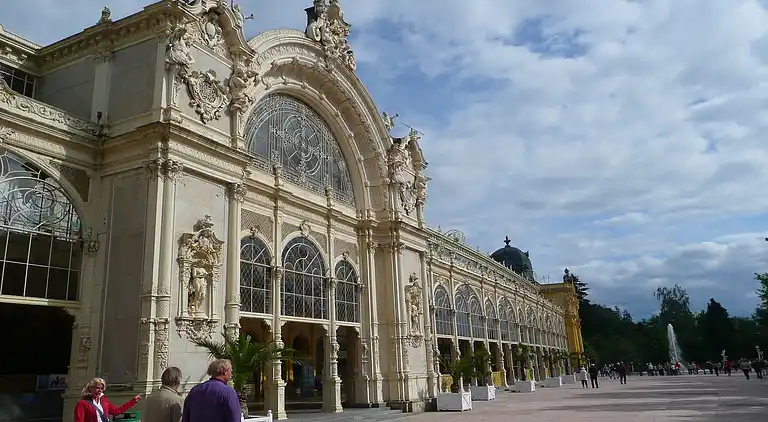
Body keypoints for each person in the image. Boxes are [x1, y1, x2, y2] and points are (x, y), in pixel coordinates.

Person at [74, 377, 141, 422]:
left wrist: (133, 401)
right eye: (97, 388)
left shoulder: (104, 401)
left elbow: (116, 411)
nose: (99, 390)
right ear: (90, 388)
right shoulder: (82, 403)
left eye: (101, 388)